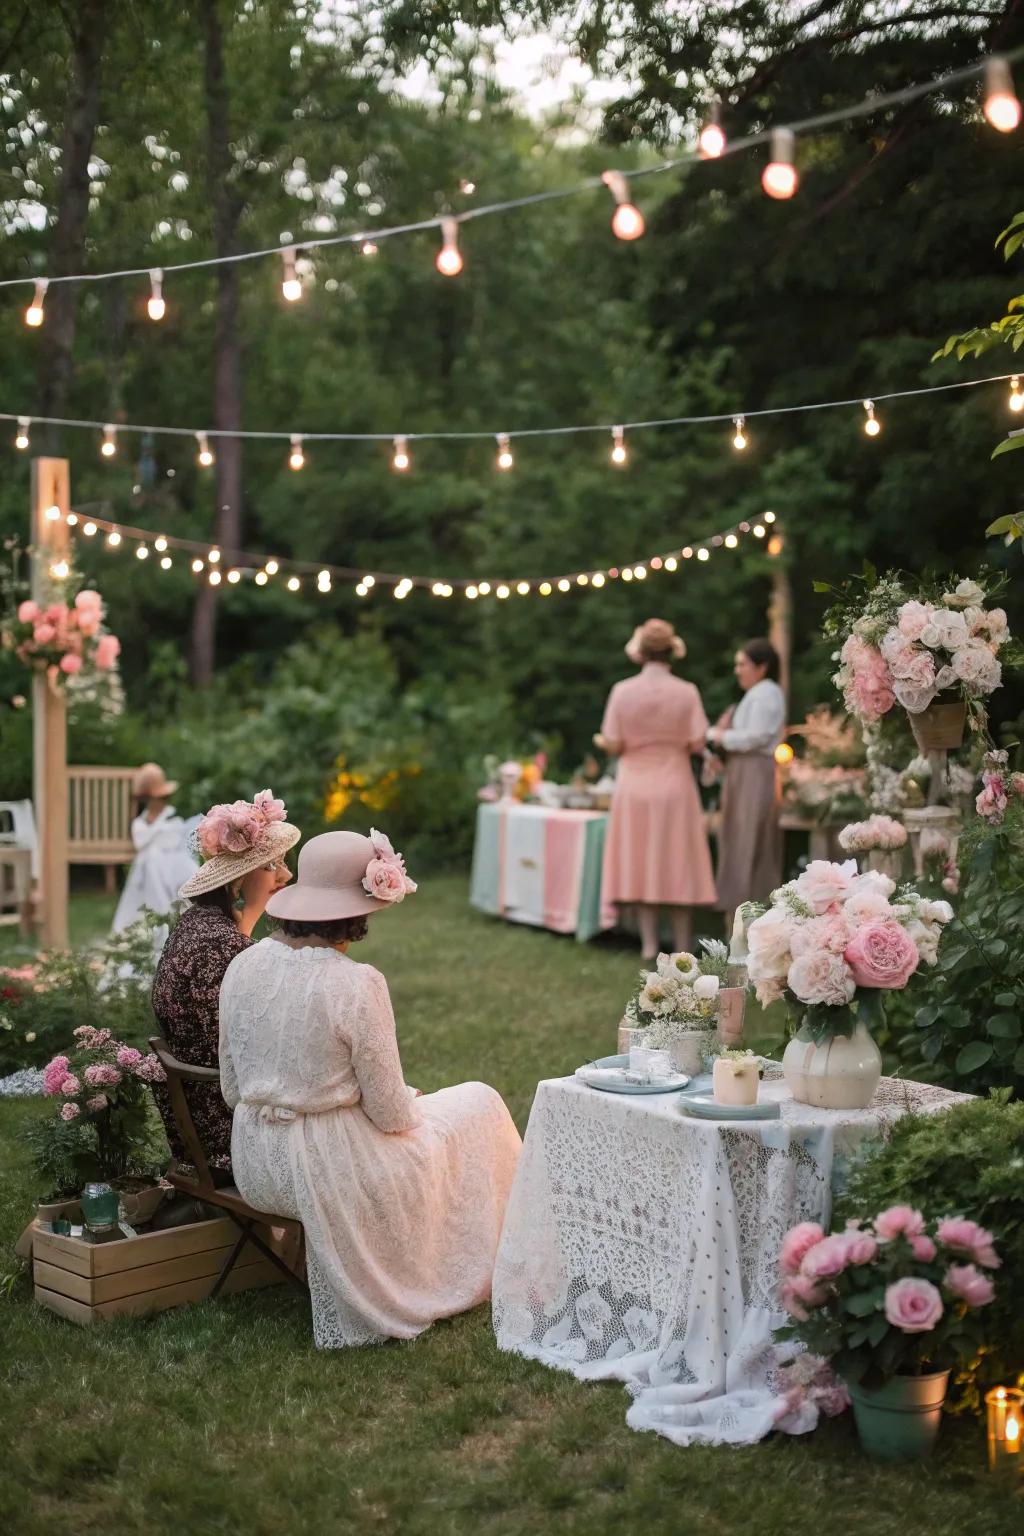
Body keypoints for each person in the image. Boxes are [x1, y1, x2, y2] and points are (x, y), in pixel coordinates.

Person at [218, 828, 523, 1348]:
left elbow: (230, 1089)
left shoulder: (243, 963)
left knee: (451, 1110)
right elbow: (391, 1116)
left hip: (254, 1163)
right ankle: (500, 1257)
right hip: (323, 1171)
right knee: (480, 1102)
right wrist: (409, 1100)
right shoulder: (356, 983)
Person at [150, 790, 299, 1180]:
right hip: (231, 1135)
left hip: (201, 1124)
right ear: (237, 883)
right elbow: (261, 1058)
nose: (286, 875)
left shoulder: (197, 925)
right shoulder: (227, 949)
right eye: (272, 866)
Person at [597, 618, 716, 959]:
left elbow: (613, 742)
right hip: (675, 784)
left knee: (641, 862)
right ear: (670, 652)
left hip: (634, 785)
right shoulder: (687, 691)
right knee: (679, 862)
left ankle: (649, 945)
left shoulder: (622, 691)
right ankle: (681, 945)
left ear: (641, 652)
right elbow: (696, 743)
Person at [706, 638, 787, 925]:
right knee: (738, 840)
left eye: (742, 664)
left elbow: (757, 736)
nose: (737, 670)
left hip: (754, 775)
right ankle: (736, 921)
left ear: (762, 667)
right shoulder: (755, 693)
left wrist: (718, 736)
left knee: (751, 842)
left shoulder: (767, 693)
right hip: (742, 774)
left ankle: (751, 922)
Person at [111, 763, 197, 944]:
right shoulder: (141, 824)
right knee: (150, 860)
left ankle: (167, 912)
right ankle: (157, 912)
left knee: (157, 861)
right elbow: (141, 842)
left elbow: (175, 845)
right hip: (149, 871)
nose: (158, 802)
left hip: (172, 867)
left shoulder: (172, 820)